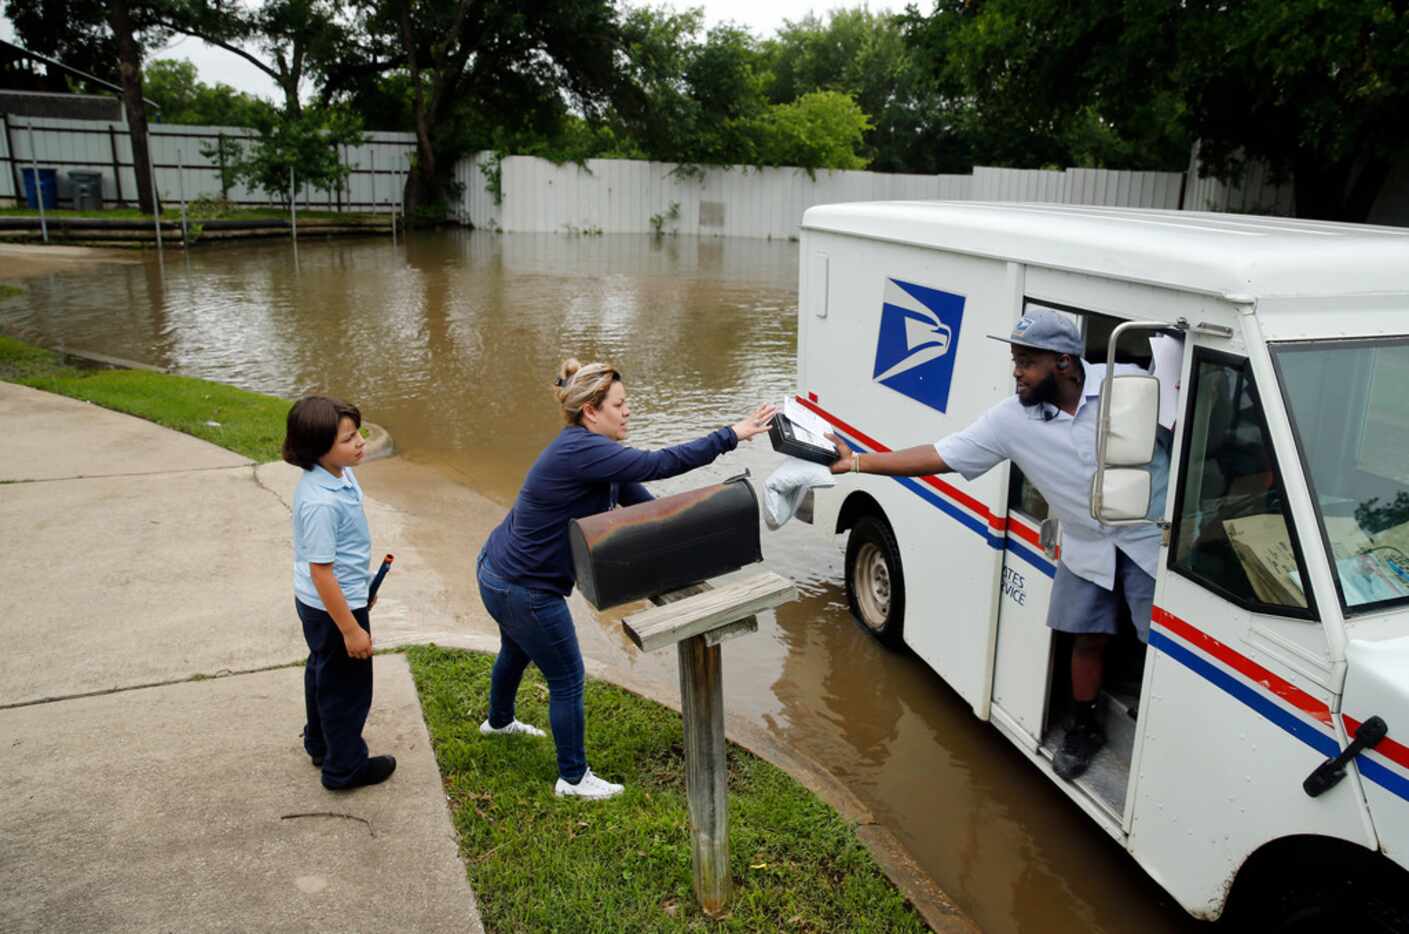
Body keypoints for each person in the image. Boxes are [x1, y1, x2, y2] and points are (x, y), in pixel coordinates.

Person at [826, 309, 1168, 781]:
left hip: (1149, 540)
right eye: (1015, 359)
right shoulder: (1011, 420)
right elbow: (938, 455)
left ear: (1064, 363)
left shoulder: (1130, 385)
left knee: (1165, 648)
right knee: (1087, 637)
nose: (1016, 372)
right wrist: (859, 462)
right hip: (1086, 543)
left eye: (1026, 361)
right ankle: (1084, 727)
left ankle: (1164, 738)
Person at [477, 359, 776, 800]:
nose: (628, 411)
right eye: (620, 404)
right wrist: (731, 434)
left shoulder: (587, 451)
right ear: (591, 412)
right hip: (526, 588)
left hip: (497, 571)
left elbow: (640, 502)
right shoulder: (585, 451)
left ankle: (498, 722)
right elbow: (659, 464)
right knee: (567, 679)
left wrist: (676, 533)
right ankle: (573, 779)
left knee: (516, 650)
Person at [283, 395, 396, 791]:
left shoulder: (338, 472)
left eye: (358, 432)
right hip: (331, 607)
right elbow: (321, 572)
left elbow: (340, 555)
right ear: (318, 449)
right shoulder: (319, 503)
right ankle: (344, 768)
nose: (361, 442)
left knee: (323, 671)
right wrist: (350, 628)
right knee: (347, 688)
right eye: (349, 439)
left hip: (335, 598)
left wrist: (363, 584)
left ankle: (320, 743)